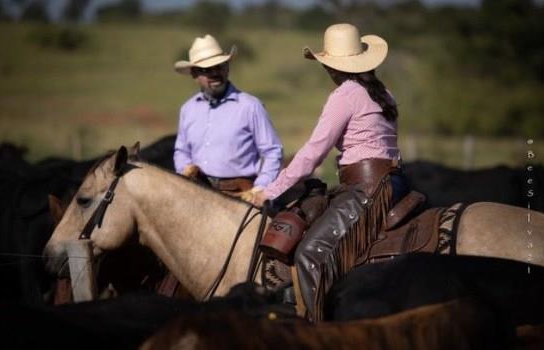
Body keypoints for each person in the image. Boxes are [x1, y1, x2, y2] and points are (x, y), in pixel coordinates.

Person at [249, 23, 409, 322]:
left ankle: (316, 330)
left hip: (368, 188)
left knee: (310, 253)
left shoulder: (346, 95)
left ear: (331, 66)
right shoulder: (383, 91)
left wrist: (269, 191)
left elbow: (312, 153)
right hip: (394, 180)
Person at [173, 34, 283, 194]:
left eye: (219, 66)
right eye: (207, 70)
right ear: (194, 74)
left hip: (240, 192)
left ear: (227, 68)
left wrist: (260, 187)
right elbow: (181, 151)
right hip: (197, 191)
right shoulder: (188, 109)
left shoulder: (250, 106)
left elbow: (273, 151)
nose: (215, 73)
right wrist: (185, 172)